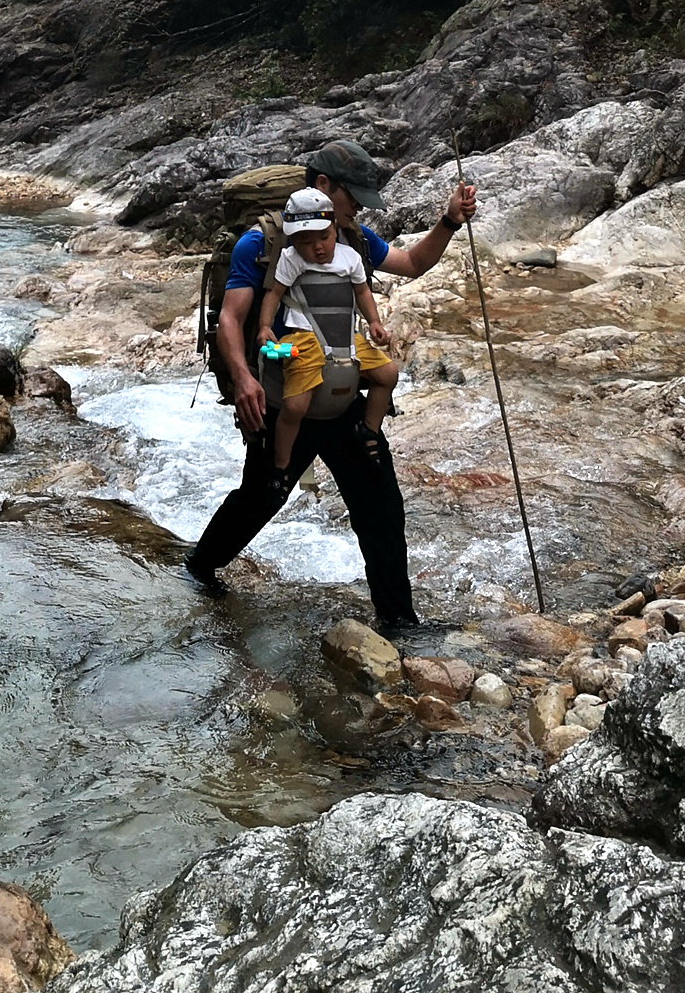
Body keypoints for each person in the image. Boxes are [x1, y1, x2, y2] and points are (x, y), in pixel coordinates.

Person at [185, 137, 477, 627]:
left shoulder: (352, 241)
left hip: (343, 397)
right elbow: (231, 320)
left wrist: (449, 220)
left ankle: (400, 621)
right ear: (323, 186)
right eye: (354, 196)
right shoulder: (262, 244)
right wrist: (243, 382)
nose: (359, 207)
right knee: (261, 500)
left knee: (381, 509)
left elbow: (412, 264)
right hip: (284, 400)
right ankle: (197, 571)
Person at [255, 186, 398, 497]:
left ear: (335, 228)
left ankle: (369, 430)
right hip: (303, 338)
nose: (317, 247)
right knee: (295, 406)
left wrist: (374, 323)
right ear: (293, 241)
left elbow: (362, 293)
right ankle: (281, 466)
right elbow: (274, 294)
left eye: (323, 237)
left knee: (388, 375)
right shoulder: (291, 260)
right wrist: (265, 327)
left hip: (347, 336)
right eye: (306, 242)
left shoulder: (350, 257)